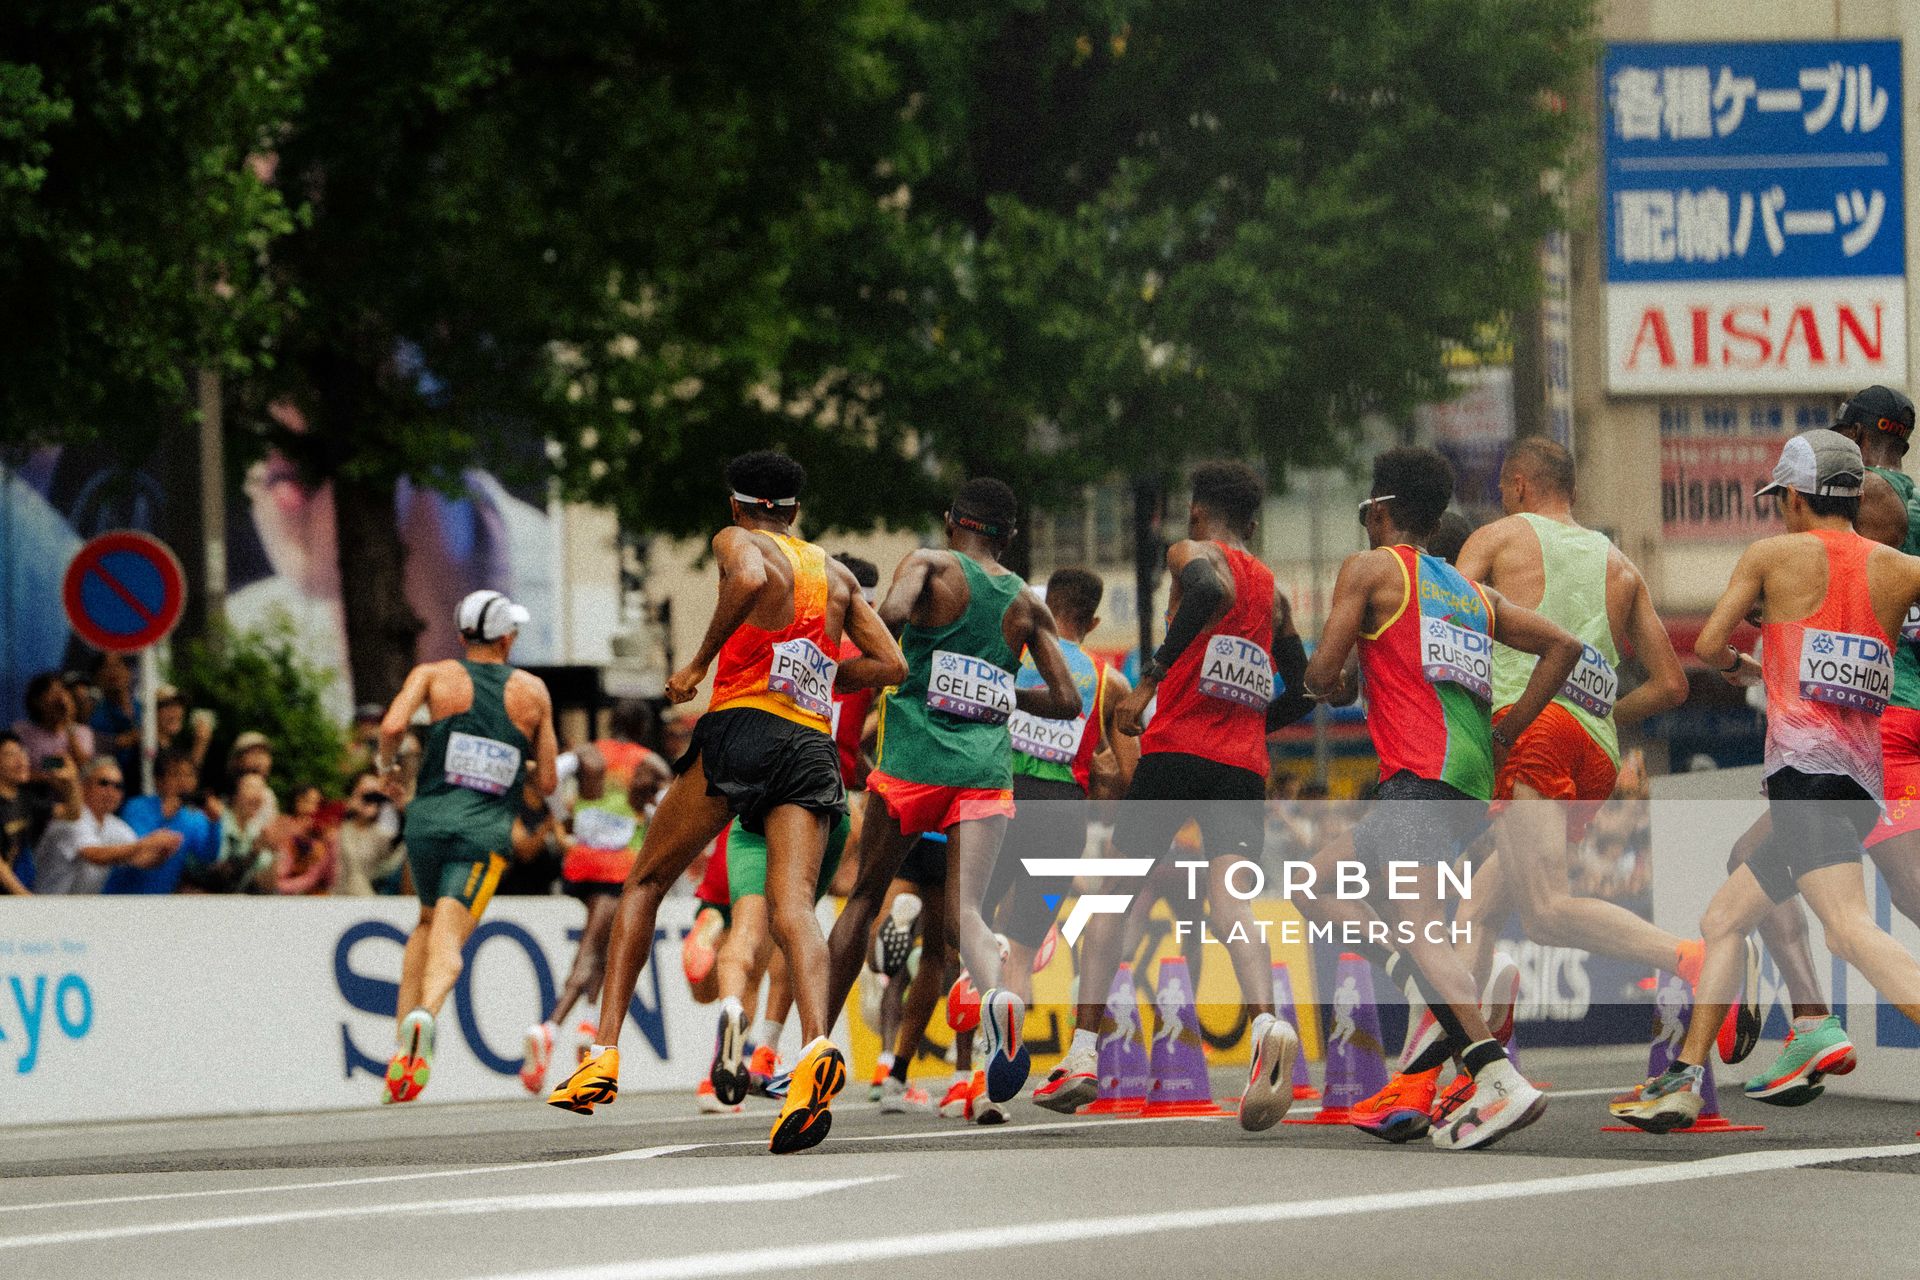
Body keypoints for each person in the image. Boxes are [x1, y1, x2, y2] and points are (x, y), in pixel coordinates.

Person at [547, 450, 905, 1158]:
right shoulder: (833, 572)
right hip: (809, 747)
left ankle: (604, 1056)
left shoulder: (737, 540)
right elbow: (891, 665)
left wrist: (698, 662)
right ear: (796, 511)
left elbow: (745, 577)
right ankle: (816, 1049)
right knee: (794, 908)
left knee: (645, 880)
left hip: (741, 728)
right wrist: (820, 675)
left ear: (739, 506)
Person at [1612, 429, 1920, 1130]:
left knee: (1847, 930)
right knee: (1723, 919)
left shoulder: (1772, 556)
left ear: (1793, 496)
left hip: (1805, 779)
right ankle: (1685, 1080)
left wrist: (1757, 649)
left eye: (1778, 498)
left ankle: (1803, 1032)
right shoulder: (1901, 568)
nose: (1777, 510)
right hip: (1862, 786)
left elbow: (1714, 644)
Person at [1301, 446, 1583, 1150]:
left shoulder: (1370, 570)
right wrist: (1510, 728)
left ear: (1383, 510)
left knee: (1423, 924)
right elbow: (1565, 645)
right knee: (1316, 881)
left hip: (1416, 779)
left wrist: (1330, 681)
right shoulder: (1469, 593)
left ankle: (1494, 1075)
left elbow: (1324, 674)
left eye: (1367, 511)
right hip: (1465, 782)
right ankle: (1446, 997)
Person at [1403, 439, 1696, 1114]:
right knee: (1478, 911)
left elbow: (1439, 612)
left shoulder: (1498, 538)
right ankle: (1459, 1076)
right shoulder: (1620, 564)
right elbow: (1673, 683)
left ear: (1516, 486)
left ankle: (1691, 959)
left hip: (1526, 729)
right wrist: (1602, 712)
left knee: (1545, 911)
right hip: (1592, 750)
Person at [1035, 462, 1299, 1131]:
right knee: (1229, 898)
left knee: (1112, 893)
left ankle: (1084, 1055)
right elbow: (1310, 688)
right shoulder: (1274, 593)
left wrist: (1150, 681)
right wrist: (1251, 724)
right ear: (1258, 522)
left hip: (1176, 751)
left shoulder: (1195, 554)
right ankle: (1267, 1024)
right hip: (1241, 767)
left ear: (1196, 514)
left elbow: (1207, 584)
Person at [817, 477, 1079, 1112]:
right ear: (1011, 536)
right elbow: (1068, 701)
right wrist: (999, 692)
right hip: (985, 772)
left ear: (949, 522)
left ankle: (813, 1050)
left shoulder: (930, 565)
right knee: (967, 916)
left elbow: (892, 620)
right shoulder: (1023, 600)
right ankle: (1000, 1006)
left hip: (911, 763)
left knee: (864, 900)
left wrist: (849, 654)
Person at [1721, 389, 1920, 1104]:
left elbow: (1844, 566)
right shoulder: (1912, 502)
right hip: (1878, 724)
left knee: (1873, 913)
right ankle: (1809, 1023)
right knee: (1755, 865)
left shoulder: (1872, 502)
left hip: (1873, 729)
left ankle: (1809, 1018)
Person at [375, 588, 559, 1104]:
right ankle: (425, 1017)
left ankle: (399, 1055)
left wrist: (387, 769)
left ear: (460, 637)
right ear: (506, 638)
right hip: (482, 834)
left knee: (427, 922)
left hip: (426, 823)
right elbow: (546, 782)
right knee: (450, 944)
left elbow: (392, 725)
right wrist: (510, 759)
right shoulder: (532, 691)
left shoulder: (433, 675)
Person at [522, 744, 647, 1094]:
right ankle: (550, 1028)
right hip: (617, 867)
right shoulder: (644, 762)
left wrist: (562, 814)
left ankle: (588, 1024)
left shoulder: (589, 754)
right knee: (593, 949)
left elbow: (550, 778)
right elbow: (669, 801)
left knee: (604, 944)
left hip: (581, 863)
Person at [34, 757, 182, 895]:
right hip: (43, 907)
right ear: (84, 785)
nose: (111, 791)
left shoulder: (114, 825)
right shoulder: (70, 816)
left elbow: (139, 859)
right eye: (104, 783)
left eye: (118, 786)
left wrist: (162, 852)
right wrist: (147, 842)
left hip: (78, 911)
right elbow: (95, 855)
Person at [106, 749, 219, 894]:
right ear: (158, 781)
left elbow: (208, 857)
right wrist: (164, 817)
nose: (183, 781)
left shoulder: (194, 818)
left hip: (159, 903)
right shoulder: (136, 807)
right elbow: (140, 852)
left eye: (189, 775)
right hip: (121, 898)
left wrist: (215, 823)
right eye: (176, 774)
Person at [334, 769, 406, 896]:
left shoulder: (381, 834)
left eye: (375, 795)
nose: (370, 800)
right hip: (333, 901)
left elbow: (397, 852)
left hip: (367, 903)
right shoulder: (338, 828)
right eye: (365, 794)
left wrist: (400, 811)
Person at [13, 671, 95, 775]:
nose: (60, 699)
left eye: (63, 692)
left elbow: (85, 766)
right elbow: (17, 770)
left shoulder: (82, 732)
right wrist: (49, 777)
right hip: (32, 789)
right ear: (37, 701)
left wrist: (68, 724)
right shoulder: (22, 732)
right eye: (52, 692)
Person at [0, 731, 51, 895]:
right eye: (11, 754)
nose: (21, 760)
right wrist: (26, 900)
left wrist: (70, 782)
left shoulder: (25, 799)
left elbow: (72, 813)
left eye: (23, 752)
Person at [273, 784, 339, 895]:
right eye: (307, 801)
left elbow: (324, 874)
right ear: (296, 801)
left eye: (317, 803)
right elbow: (279, 867)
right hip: (282, 887)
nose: (313, 808)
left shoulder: (325, 832)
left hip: (314, 890)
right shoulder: (282, 824)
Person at [88, 653, 141, 787]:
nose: (113, 672)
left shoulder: (145, 710)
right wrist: (121, 742)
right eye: (106, 668)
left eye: (118, 665)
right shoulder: (96, 718)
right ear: (97, 678)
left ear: (129, 671)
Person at [153, 686, 214, 773]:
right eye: (168, 706)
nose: (176, 712)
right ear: (153, 712)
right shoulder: (146, 747)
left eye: (179, 705)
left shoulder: (174, 747)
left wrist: (200, 743)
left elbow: (185, 780)